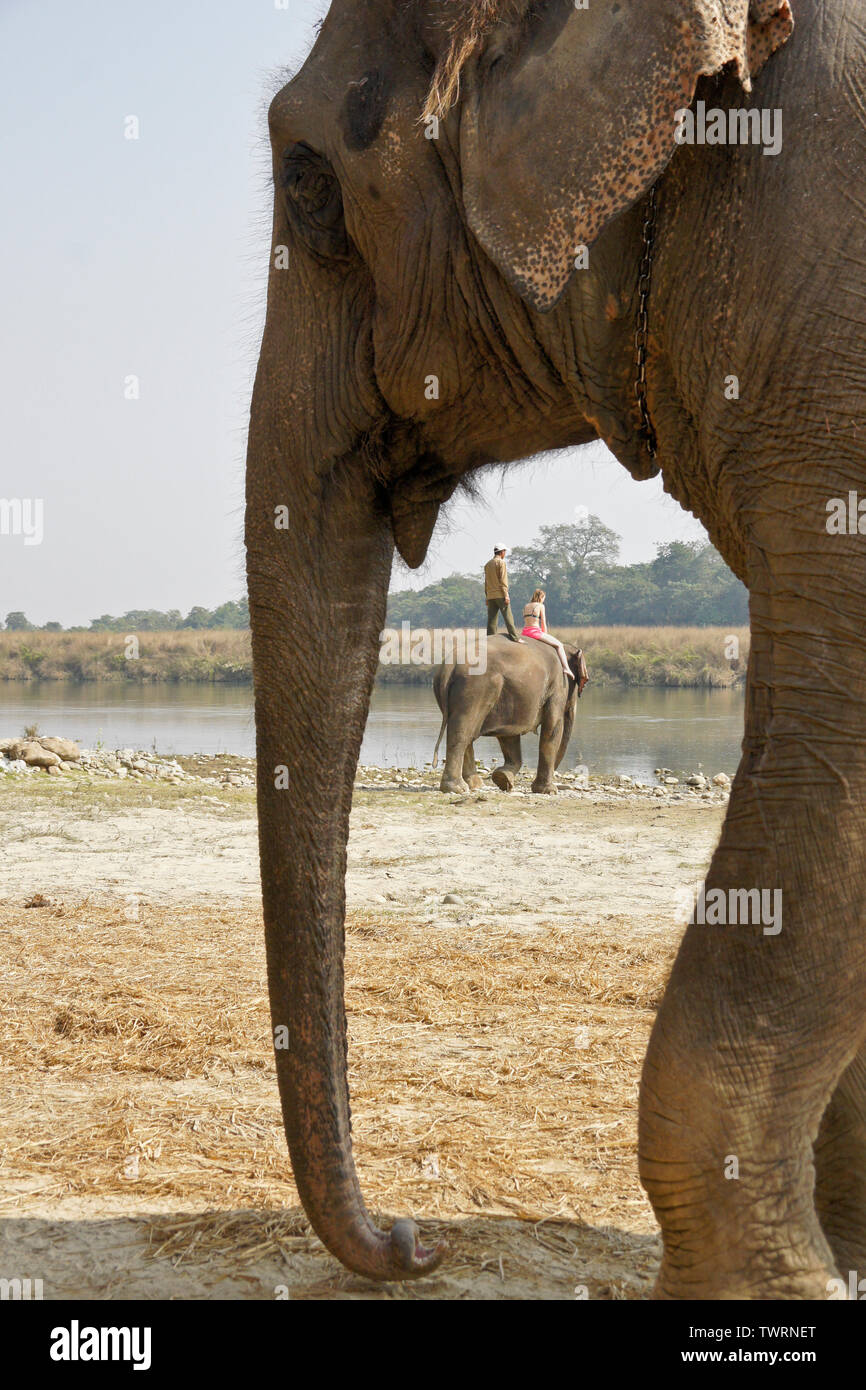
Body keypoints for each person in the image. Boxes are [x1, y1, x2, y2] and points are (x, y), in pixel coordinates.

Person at [521, 588, 574, 679]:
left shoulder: (526, 606)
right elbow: (543, 623)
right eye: (544, 598)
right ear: (541, 597)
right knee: (559, 645)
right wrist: (545, 635)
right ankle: (566, 668)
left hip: (525, 632)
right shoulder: (541, 606)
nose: (543, 600)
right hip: (535, 632)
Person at [484, 544, 523, 642]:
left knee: (491, 620)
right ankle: (515, 637)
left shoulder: (487, 564)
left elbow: (486, 582)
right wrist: (506, 595)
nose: (505, 554)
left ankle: (489, 639)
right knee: (508, 617)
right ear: (502, 552)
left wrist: (487, 597)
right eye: (505, 552)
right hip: (500, 594)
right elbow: (503, 580)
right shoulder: (501, 563)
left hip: (490, 596)